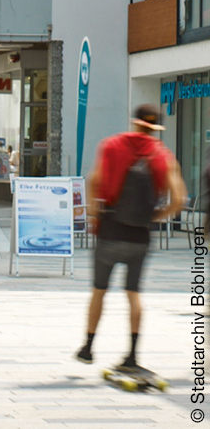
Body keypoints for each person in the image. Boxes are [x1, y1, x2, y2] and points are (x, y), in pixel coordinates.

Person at [75, 104, 185, 375]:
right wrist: (157, 216)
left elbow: (94, 180)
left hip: (111, 228)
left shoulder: (111, 145)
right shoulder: (163, 155)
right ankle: (132, 355)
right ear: (155, 128)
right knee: (133, 295)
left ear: (135, 123)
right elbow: (179, 199)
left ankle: (88, 348)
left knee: (99, 291)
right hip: (140, 234)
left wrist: (93, 215)